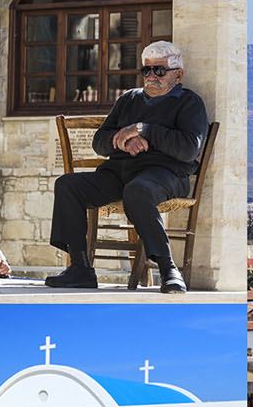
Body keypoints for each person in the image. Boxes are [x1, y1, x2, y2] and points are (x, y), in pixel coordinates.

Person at [46, 41, 208, 294]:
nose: (152, 76)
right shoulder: (128, 99)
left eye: (160, 71)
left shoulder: (189, 103)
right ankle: (80, 268)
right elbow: (99, 142)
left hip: (165, 174)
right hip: (119, 173)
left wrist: (146, 130)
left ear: (179, 75)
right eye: (147, 71)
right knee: (68, 185)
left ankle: (168, 269)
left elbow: (189, 148)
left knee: (138, 190)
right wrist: (122, 139)